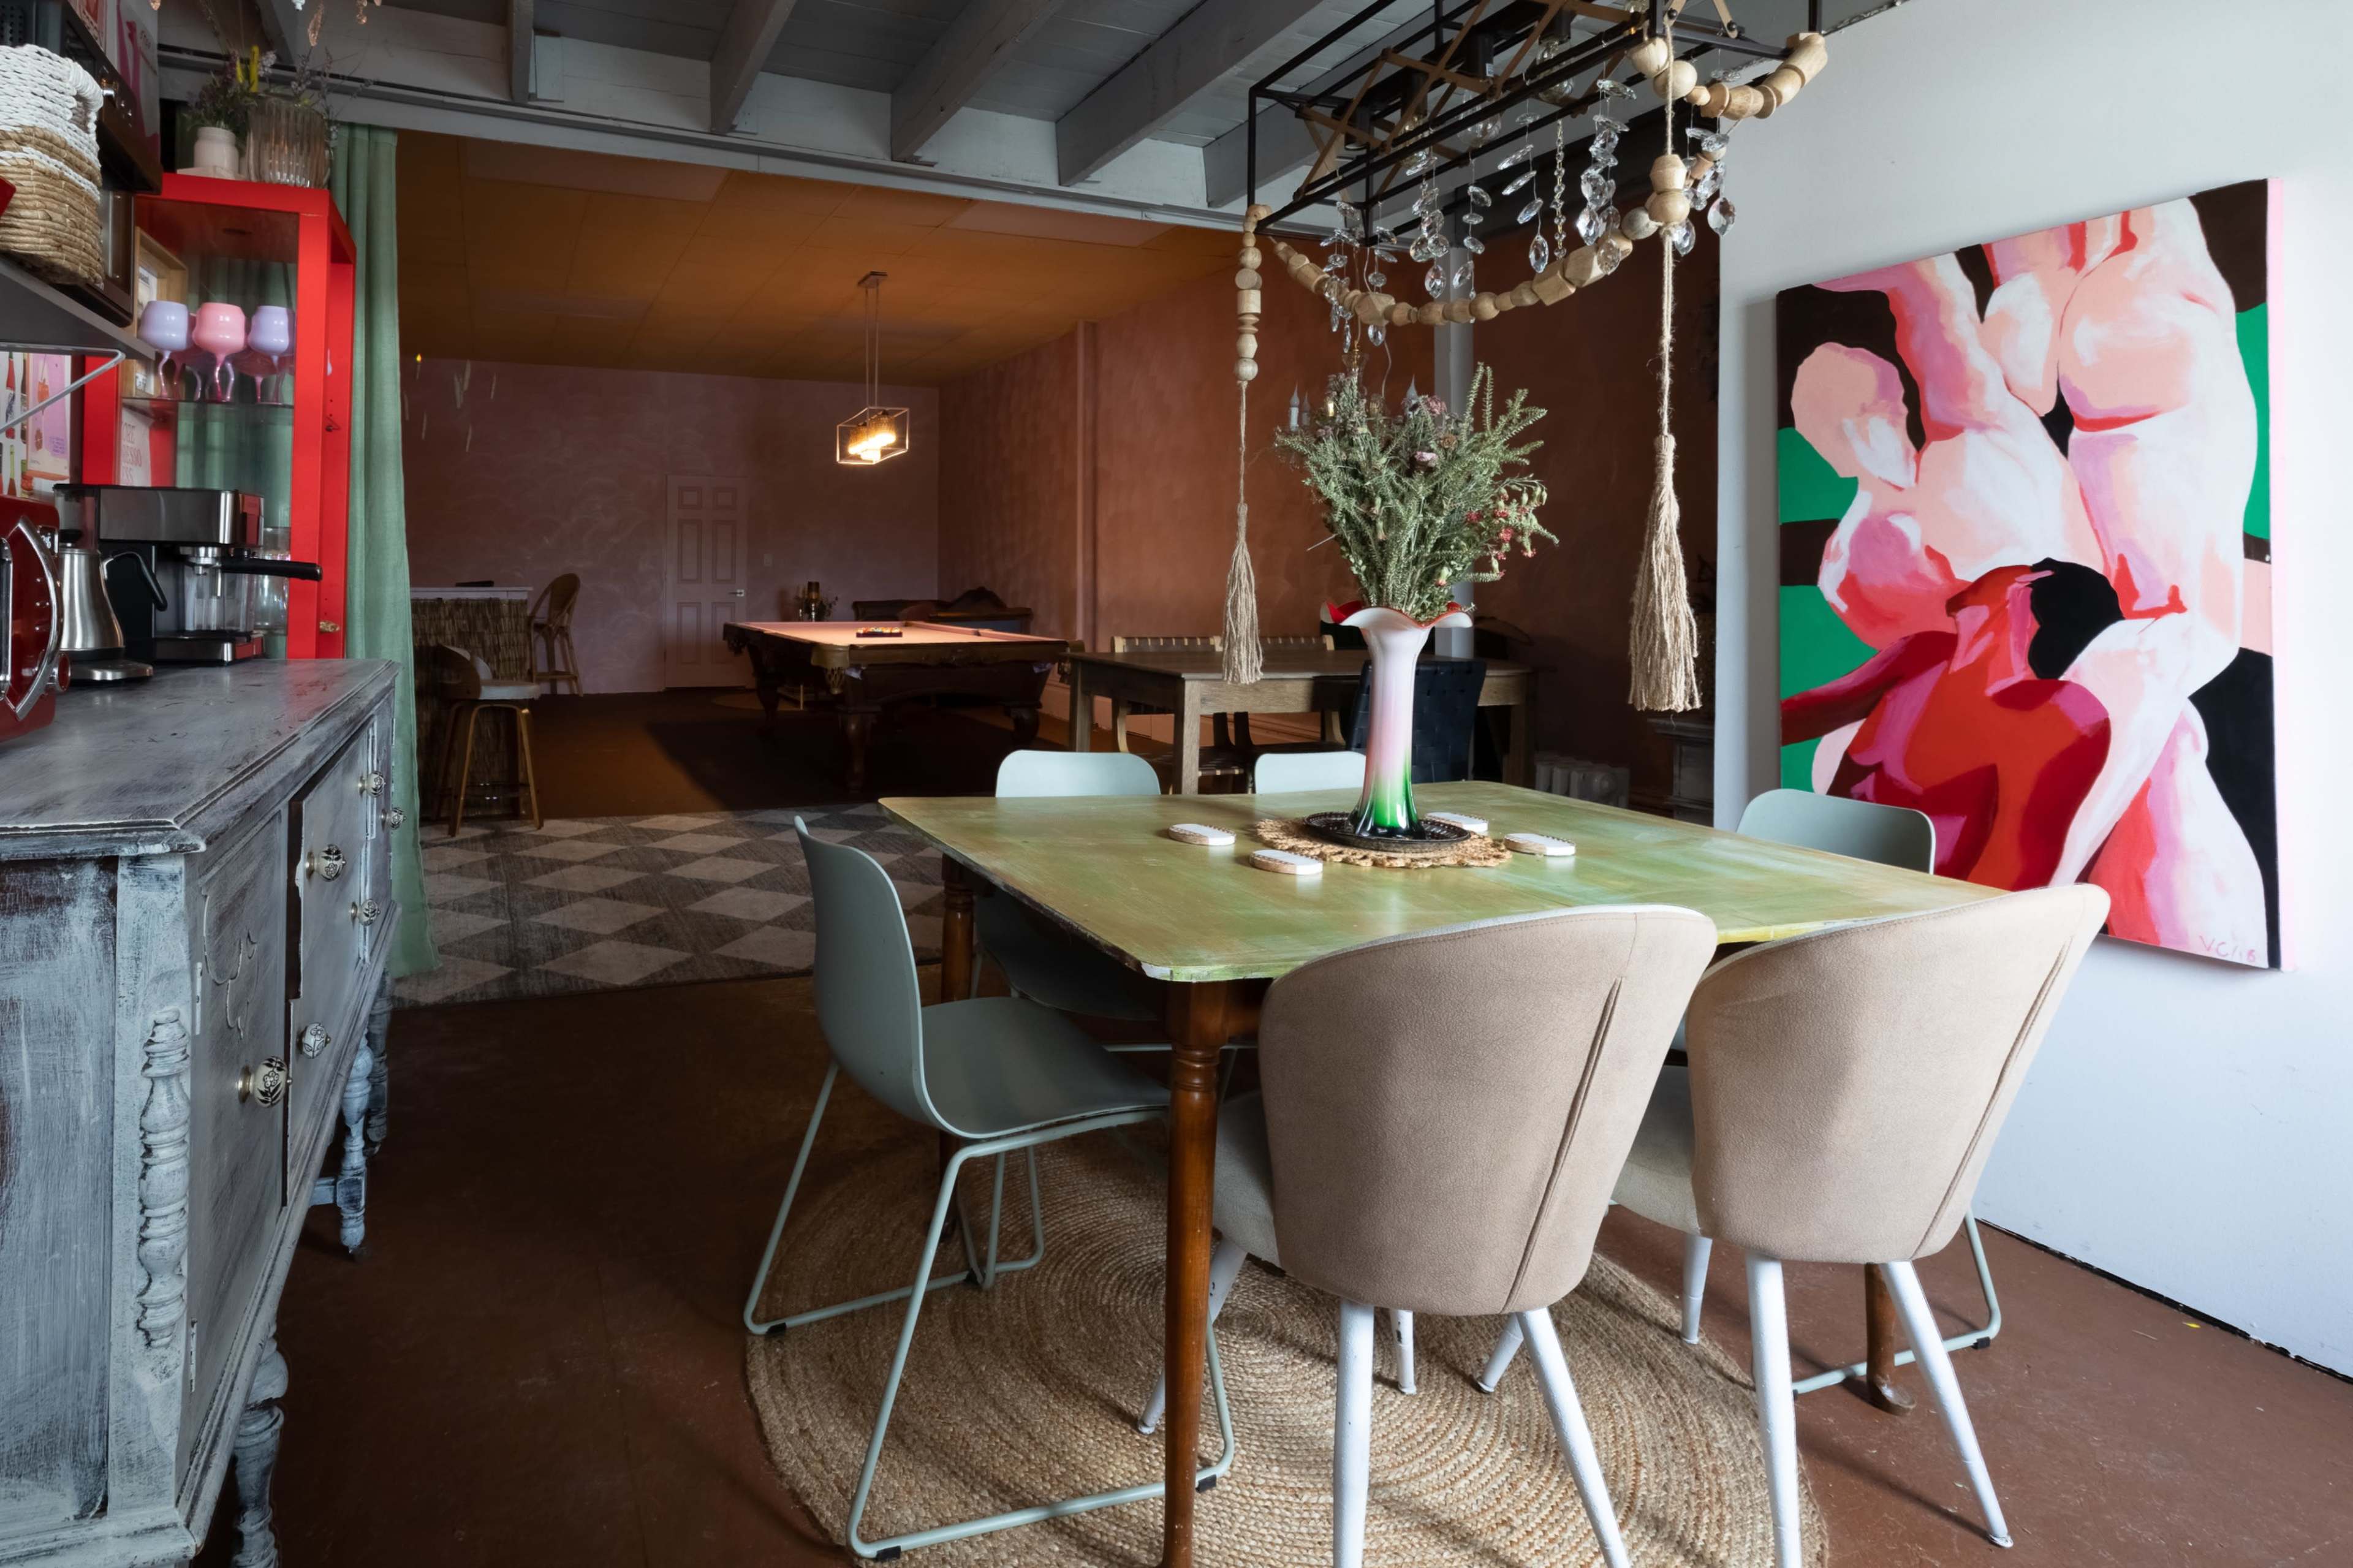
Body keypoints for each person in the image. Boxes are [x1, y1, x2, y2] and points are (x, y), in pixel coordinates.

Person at [1786, 199, 2265, 963]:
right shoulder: (1926, 492)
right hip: (2045, 654)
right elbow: (1933, 304)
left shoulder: (1925, 492)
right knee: (2172, 705)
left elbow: (1934, 309)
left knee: (2168, 715)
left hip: (2046, 636)